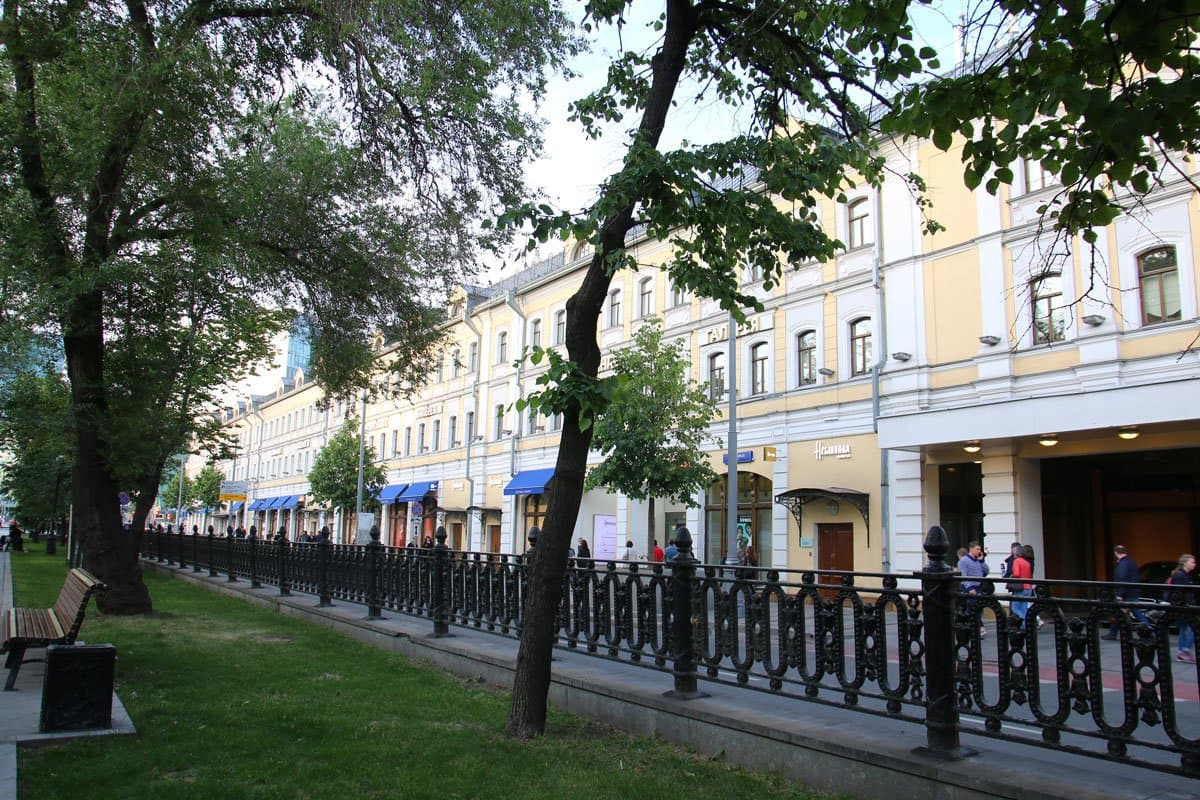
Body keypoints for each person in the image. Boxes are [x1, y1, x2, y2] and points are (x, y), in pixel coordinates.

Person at [1103, 545, 1151, 640]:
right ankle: (1112, 633)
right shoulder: (1131, 562)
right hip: (1132, 591)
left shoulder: (1123, 564)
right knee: (1118, 612)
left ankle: (1150, 632)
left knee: (1134, 612)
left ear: (1116, 553)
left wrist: (1120, 594)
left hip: (1127, 593)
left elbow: (1122, 579)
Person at [1168, 554, 1196, 662]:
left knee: (1184, 628)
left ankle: (1181, 652)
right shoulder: (1180, 575)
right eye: (1192, 562)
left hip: (1184, 605)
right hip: (1183, 606)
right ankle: (1185, 650)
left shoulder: (1185, 575)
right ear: (1185, 563)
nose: (1194, 564)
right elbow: (1178, 592)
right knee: (1193, 627)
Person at [1007, 545, 1033, 626]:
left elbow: (1017, 573)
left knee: (1015, 608)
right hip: (1028, 587)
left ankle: (1022, 623)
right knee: (1024, 609)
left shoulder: (1017, 561)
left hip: (1020, 588)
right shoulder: (1026, 562)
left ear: (1016, 553)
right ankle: (1026, 626)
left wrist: (1011, 575)